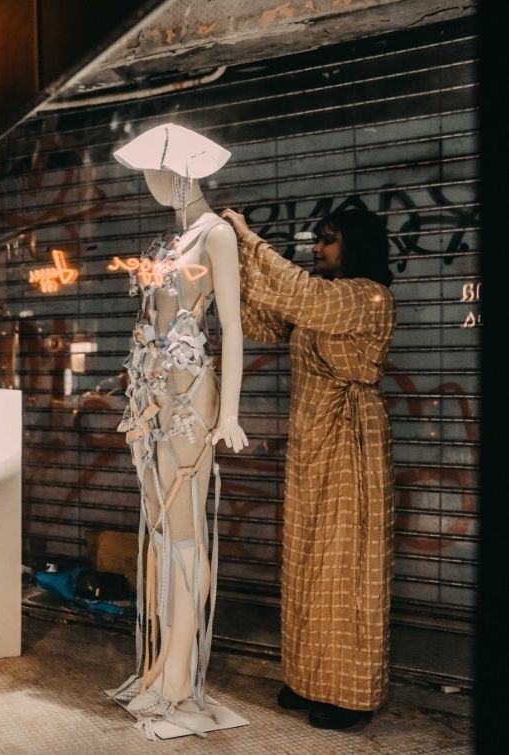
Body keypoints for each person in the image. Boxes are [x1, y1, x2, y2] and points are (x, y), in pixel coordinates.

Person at [221, 205, 395, 730]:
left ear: (355, 245)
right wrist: (232, 265)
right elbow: (263, 317)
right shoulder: (323, 299)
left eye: (328, 240)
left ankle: (352, 694)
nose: (316, 248)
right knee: (306, 563)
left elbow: (300, 294)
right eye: (316, 239)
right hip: (312, 440)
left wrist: (249, 240)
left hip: (351, 441)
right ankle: (308, 679)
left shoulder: (367, 298)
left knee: (345, 566)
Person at [109, 123, 248, 735]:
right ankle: (165, 661)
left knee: (185, 531)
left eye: (156, 173)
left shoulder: (216, 234)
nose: (150, 183)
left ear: (183, 172)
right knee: (163, 532)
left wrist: (231, 414)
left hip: (190, 399)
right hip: (149, 398)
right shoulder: (171, 241)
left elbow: (234, 329)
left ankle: (180, 679)